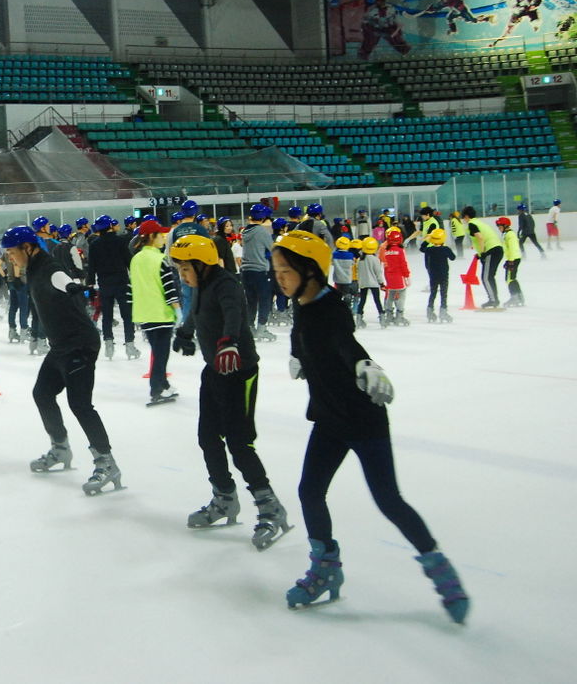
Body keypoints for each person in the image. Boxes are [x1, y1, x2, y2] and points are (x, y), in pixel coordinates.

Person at [271, 230, 469, 623]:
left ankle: (439, 568)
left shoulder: (330, 308)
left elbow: (345, 342)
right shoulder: (303, 304)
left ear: (310, 270)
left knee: (388, 500)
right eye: (276, 269)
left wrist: (366, 364)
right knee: (310, 492)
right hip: (329, 418)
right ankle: (326, 567)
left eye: (285, 269)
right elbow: (304, 336)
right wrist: (299, 357)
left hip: (363, 420)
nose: (278, 276)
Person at [170, 235, 288, 549]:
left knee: (239, 441)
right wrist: (185, 332)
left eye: (185, 269)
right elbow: (196, 313)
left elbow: (234, 313)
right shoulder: (201, 285)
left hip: (240, 371)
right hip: (214, 370)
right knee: (207, 437)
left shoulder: (226, 284)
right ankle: (224, 498)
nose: (183, 276)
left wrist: (228, 341)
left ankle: (270, 507)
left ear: (201, 263)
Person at [0, 225, 121, 496]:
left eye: (12, 252)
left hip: (80, 345)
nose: (10, 257)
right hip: (61, 346)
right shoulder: (32, 268)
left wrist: (77, 288)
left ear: (28, 248)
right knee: (42, 393)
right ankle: (60, 449)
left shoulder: (50, 267)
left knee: (80, 404)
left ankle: (107, 463)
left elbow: (63, 281)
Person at [128, 220, 179, 405]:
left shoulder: (135, 259)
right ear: (152, 236)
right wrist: (178, 312)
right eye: (161, 235)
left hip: (144, 314)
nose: (164, 238)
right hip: (161, 313)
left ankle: (163, 385)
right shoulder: (159, 259)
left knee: (157, 352)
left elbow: (132, 288)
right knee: (161, 354)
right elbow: (169, 289)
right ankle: (156, 389)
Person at [86, 214, 136, 360]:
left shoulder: (94, 244)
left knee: (107, 315)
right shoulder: (120, 241)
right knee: (127, 315)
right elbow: (129, 261)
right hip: (122, 283)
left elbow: (91, 268)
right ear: (110, 226)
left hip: (104, 285)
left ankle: (109, 345)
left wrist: (90, 284)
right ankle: (130, 345)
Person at [239, 203, 277, 341]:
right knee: (265, 300)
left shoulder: (245, 231)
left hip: (246, 271)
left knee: (251, 301)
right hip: (260, 271)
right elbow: (273, 249)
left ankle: (250, 327)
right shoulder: (262, 231)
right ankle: (262, 329)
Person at [461, 205, 504, 308]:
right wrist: (480, 254)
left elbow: (480, 238)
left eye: (463, 218)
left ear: (467, 216)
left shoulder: (472, 224)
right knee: (489, 276)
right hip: (497, 249)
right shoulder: (479, 222)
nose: (463, 220)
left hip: (490, 250)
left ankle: (493, 300)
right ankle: (494, 299)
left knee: (486, 277)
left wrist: (483, 252)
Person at [420, 229, 455, 323]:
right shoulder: (446, 249)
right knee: (444, 294)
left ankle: (430, 311)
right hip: (444, 275)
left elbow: (421, 248)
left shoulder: (429, 249)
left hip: (433, 275)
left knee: (433, 293)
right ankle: (443, 312)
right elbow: (453, 257)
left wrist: (428, 239)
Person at [380, 227, 411, 326]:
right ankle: (399, 315)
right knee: (401, 295)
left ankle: (389, 315)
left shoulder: (386, 250)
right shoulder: (400, 250)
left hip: (389, 276)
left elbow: (383, 262)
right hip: (399, 276)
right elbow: (403, 263)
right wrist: (407, 275)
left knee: (390, 295)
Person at [353, 237, 384, 329]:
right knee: (377, 300)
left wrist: (360, 281)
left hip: (363, 283)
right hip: (374, 283)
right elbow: (378, 273)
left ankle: (358, 318)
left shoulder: (360, 259)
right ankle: (382, 317)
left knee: (362, 301)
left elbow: (358, 271)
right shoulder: (375, 259)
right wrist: (381, 283)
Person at [497, 216, 525, 307]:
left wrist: (511, 261)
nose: (499, 228)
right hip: (513, 258)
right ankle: (519, 297)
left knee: (509, 279)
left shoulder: (510, 234)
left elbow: (513, 247)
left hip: (514, 258)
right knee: (512, 278)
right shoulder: (507, 234)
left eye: (500, 226)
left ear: (505, 225)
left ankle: (515, 297)